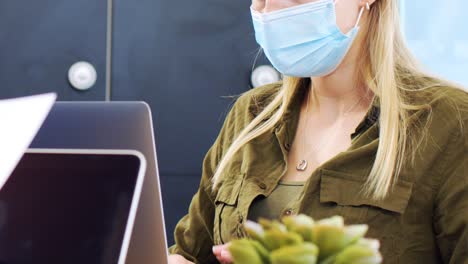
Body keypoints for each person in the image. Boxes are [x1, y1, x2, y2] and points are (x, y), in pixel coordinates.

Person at [168, 0, 468, 263]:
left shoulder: (448, 121)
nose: (273, 11)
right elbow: (192, 251)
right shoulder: (252, 115)